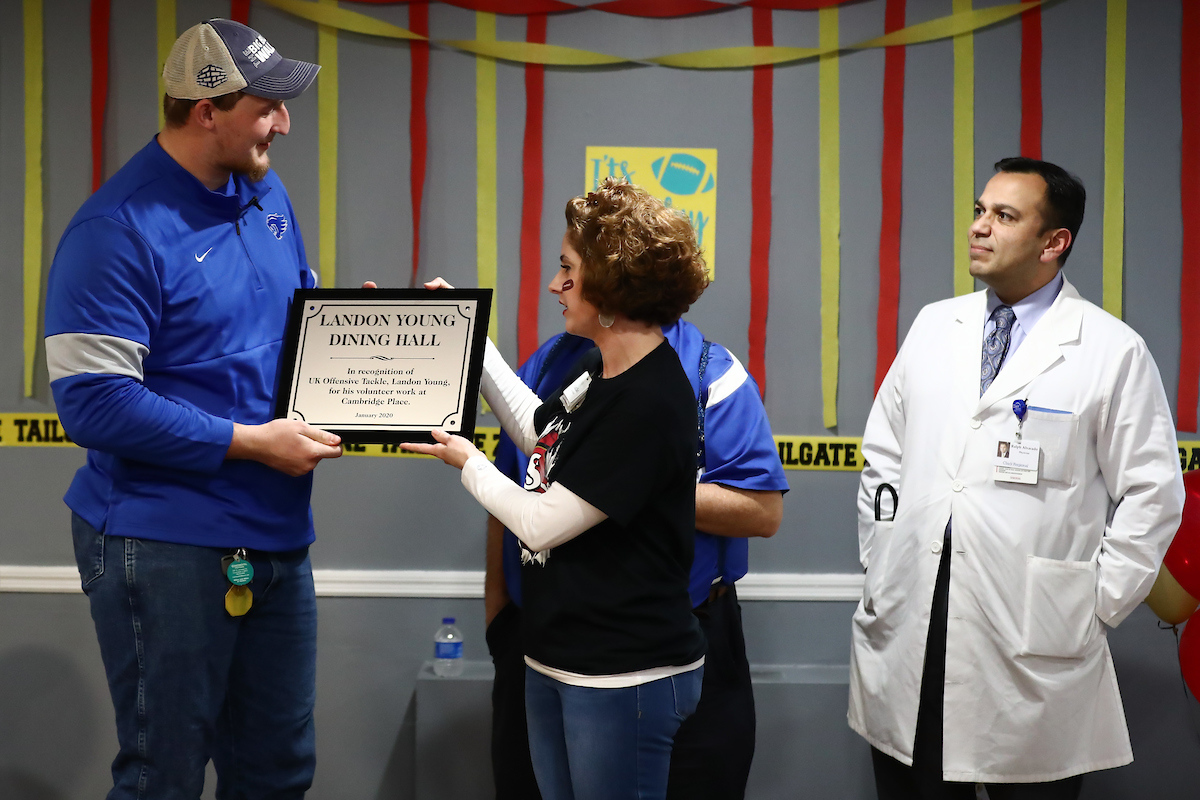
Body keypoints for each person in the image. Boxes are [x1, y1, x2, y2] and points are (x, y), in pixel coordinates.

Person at [43, 19, 340, 799]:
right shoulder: (115, 231)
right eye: (266, 107)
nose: (284, 123)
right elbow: (95, 405)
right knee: (162, 779)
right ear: (207, 111)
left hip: (277, 534)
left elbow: (277, 317)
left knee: (278, 775)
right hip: (162, 542)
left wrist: (352, 334)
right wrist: (253, 442)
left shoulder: (265, 191)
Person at [850, 157, 1185, 799]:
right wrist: (882, 558)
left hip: (1035, 633)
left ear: (1053, 241)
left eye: (1004, 216)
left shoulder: (1111, 350)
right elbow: (883, 454)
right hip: (916, 612)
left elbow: (1153, 491)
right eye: (980, 210)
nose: (980, 227)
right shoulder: (934, 325)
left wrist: (1100, 603)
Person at [405, 178, 709, 800]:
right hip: (557, 657)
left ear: (610, 284)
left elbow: (542, 524)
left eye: (568, 270)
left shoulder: (651, 399)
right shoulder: (602, 369)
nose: (555, 285)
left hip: (622, 674)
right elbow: (538, 432)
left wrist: (467, 460)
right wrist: (470, 336)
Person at [485, 321, 787, 800]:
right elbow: (514, 483)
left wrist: (636, 479)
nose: (556, 287)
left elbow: (762, 510)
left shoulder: (709, 372)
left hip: (668, 643)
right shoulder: (549, 364)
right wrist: (499, 620)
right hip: (538, 643)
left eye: (571, 277)